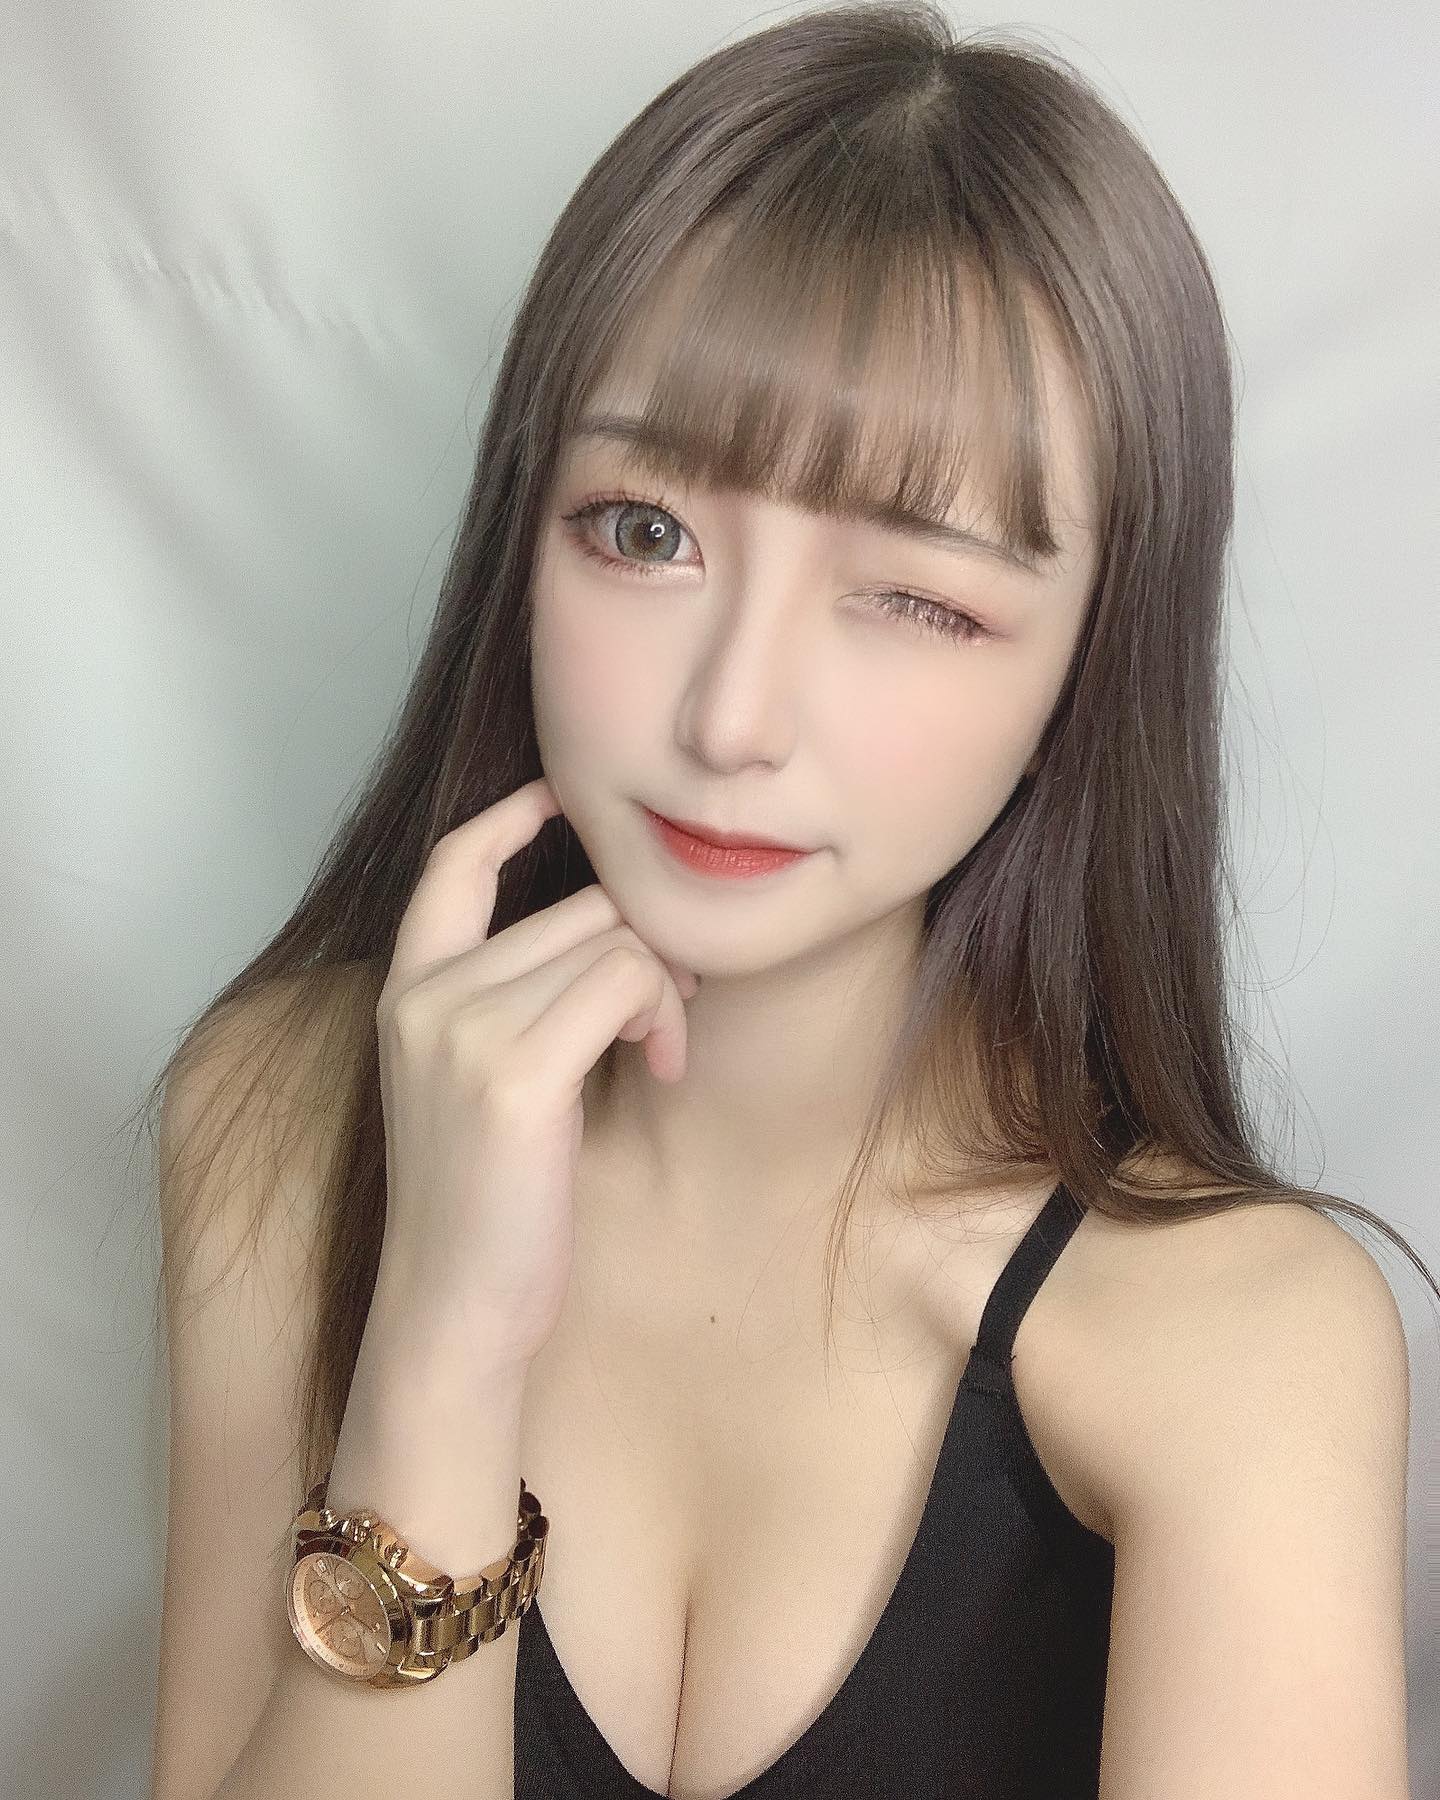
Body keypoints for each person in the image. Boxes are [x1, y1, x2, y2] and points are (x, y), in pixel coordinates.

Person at [143, 5, 1426, 1798]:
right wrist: (438, 1341)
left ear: (1087, 671)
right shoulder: (280, 1122)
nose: (731, 718)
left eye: (917, 598)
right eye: (644, 531)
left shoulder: (1236, 1340)